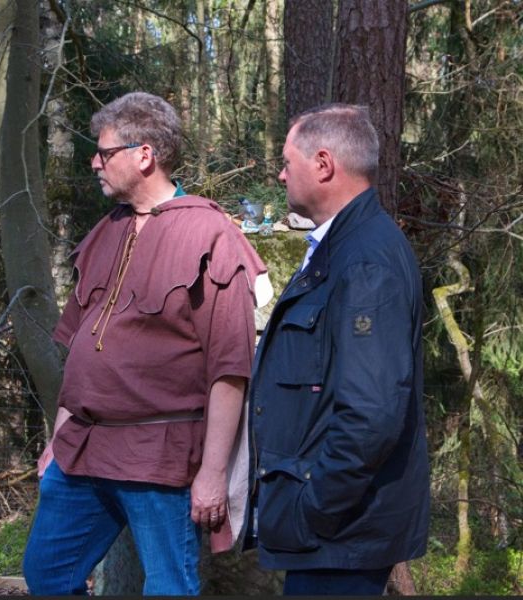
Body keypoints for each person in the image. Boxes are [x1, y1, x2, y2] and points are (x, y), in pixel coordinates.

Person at [22, 92, 271, 595]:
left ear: (144, 155)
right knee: (47, 573)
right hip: (84, 451)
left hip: (160, 456)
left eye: (105, 152)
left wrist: (213, 472)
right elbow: (82, 354)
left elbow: (230, 369)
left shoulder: (210, 235)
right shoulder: (103, 233)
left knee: (168, 589)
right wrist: (60, 435)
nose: (95, 162)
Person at [246, 103, 429, 596]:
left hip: (341, 535)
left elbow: (371, 413)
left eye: (287, 161)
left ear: (324, 165)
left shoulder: (366, 259)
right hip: (334, 535)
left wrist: (314, 508)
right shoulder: (341, 248)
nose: (281, 173)